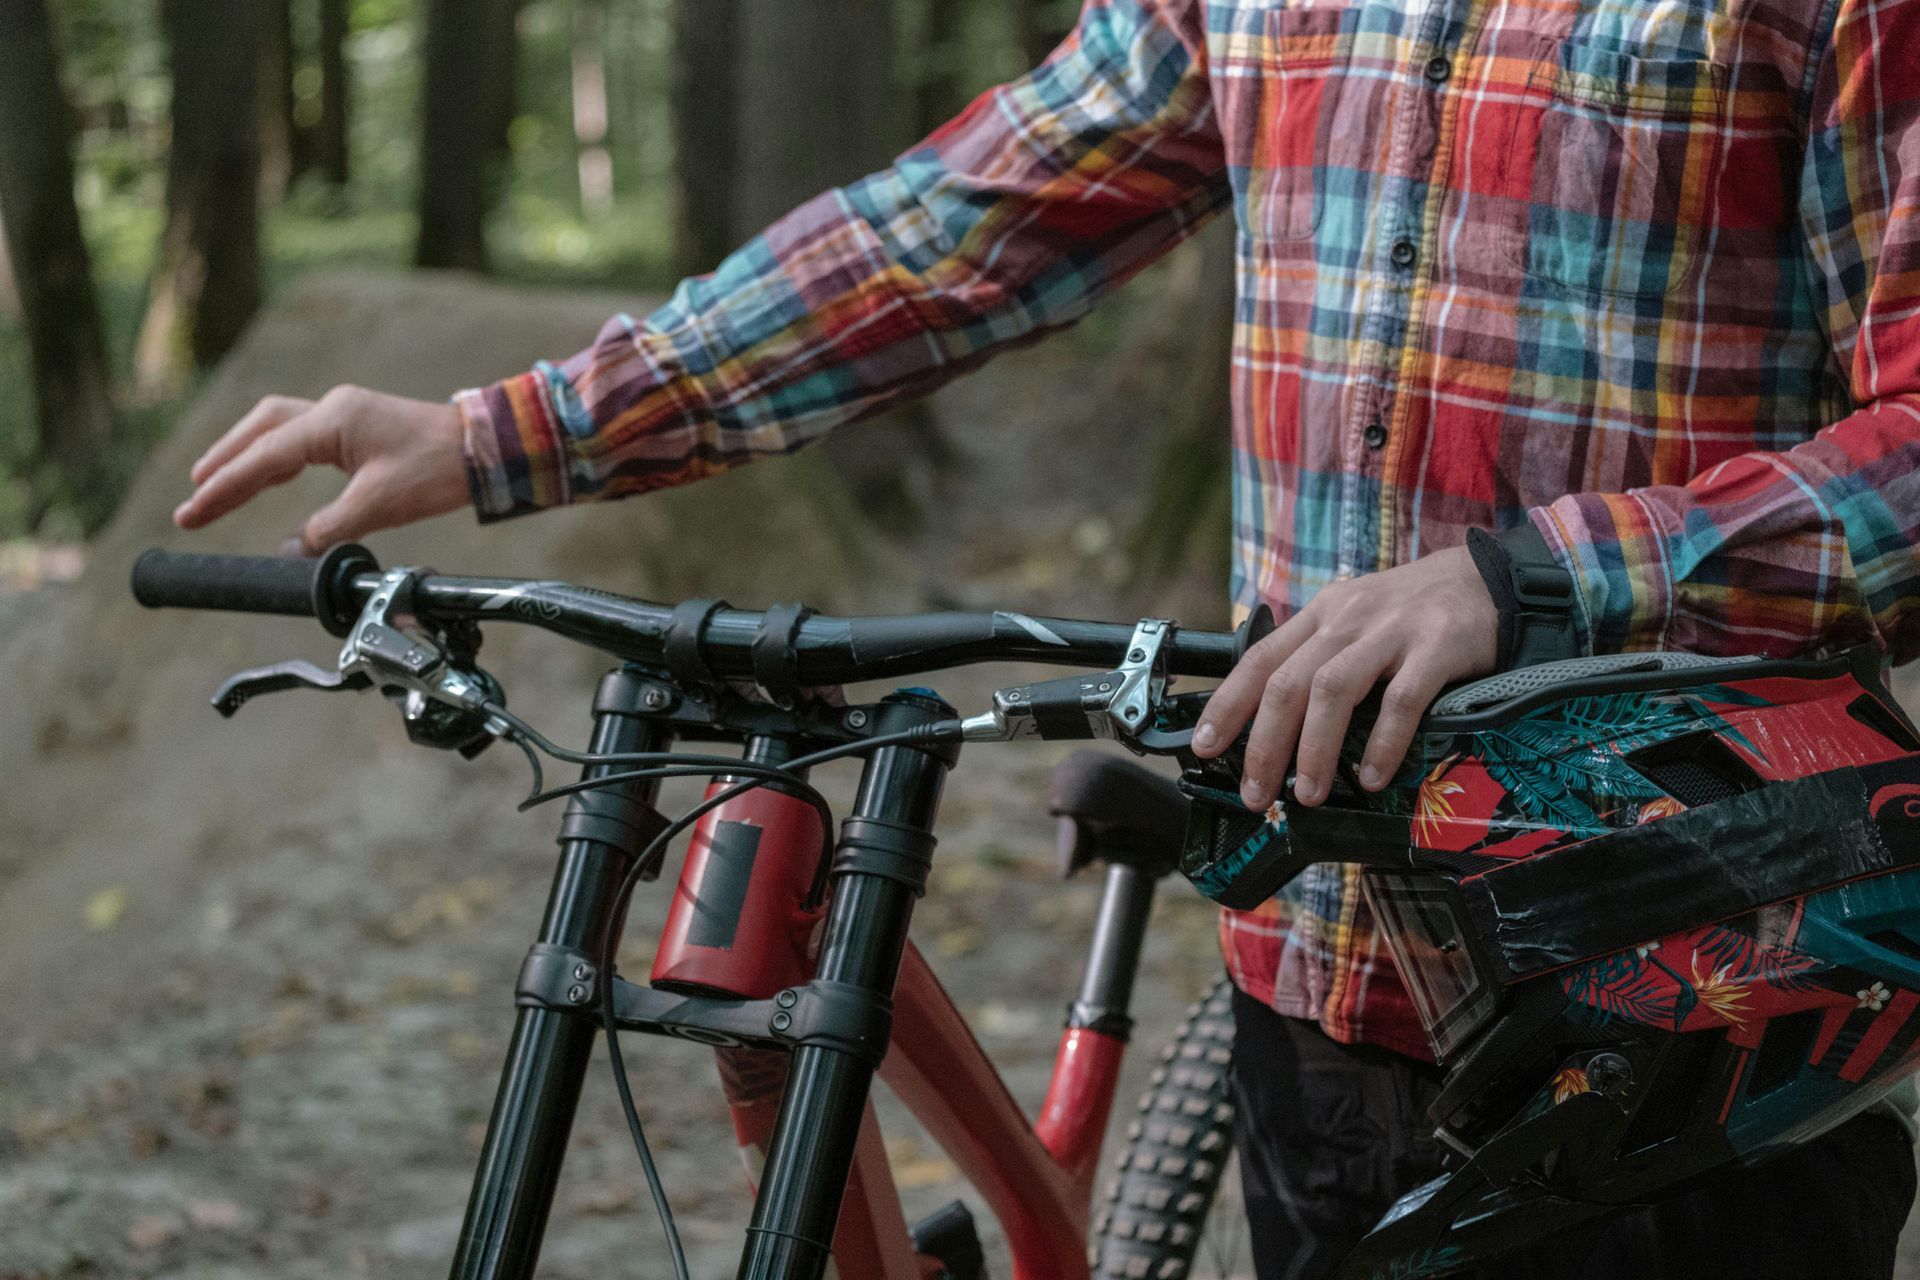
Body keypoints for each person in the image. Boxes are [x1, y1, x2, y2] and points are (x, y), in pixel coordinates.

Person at [173, 1, 1920, 1275]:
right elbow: (954, 233)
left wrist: (1536, 575)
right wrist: (511, 430)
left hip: (1694, 989)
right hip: (1318, 957)